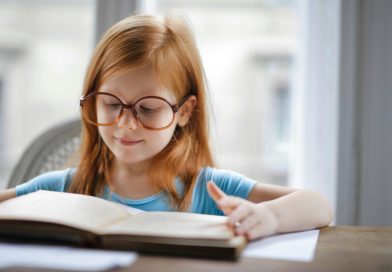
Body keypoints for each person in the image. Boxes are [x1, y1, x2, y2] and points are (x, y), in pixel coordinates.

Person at [0, 14, 333, 240]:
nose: (125, 123)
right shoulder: (67, 187)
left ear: (185, 112)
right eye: (111, 104)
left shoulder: (207, 188)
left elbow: (318, 205)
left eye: (147, 109)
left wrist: (270, 218)